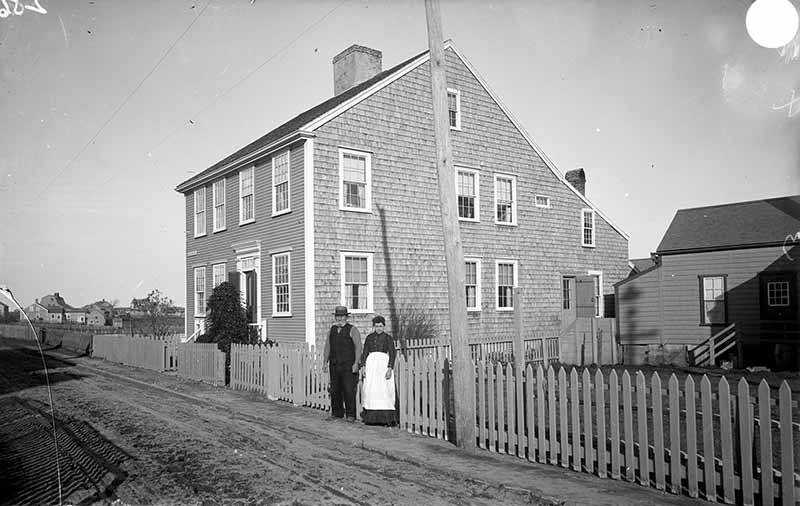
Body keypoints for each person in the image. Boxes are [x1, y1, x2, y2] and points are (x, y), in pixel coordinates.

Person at [322, 305, 362, 421]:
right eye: (337, 316)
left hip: (348, 365)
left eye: (342, 316)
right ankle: (336, 413)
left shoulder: (352, 330)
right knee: (335, 389)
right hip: (334, 364)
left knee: (349, 390)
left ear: (346, 317)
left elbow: (358, 347)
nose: (339, 319)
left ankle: (351, 415)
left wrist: (356, 363)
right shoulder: (332, 330)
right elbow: (327, 347)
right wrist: (325, 362)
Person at [359, 315, 398, 426]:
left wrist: (390, 368)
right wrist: (363, 366)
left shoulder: (388, 338)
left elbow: (392, 353)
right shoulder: (369, 338)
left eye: (380, 326)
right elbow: (365, 352)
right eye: (376, 326)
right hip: (371, 365)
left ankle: (386, 419)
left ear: (384, 326)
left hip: (383, 365)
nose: (379, 328)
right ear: (374, 327)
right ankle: (371, 418)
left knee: (384, 389)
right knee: (371, 389)